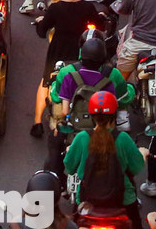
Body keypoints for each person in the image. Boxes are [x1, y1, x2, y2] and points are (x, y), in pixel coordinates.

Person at [32, 0, 104, 136]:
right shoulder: (87, 7)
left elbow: (42, 32)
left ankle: (36, 122)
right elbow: (99, 26)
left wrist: (41, 21)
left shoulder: (55, 8)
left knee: (46, 82)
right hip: (80, 53)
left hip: (58, 53)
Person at [62, 92, 146, 229]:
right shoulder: (123, 138)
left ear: (92, 116)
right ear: (114, 115)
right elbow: (136, 168)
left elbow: (69, 167)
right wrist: (143, 154)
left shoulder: (82, 138)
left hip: (86, 202)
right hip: (123, 201)